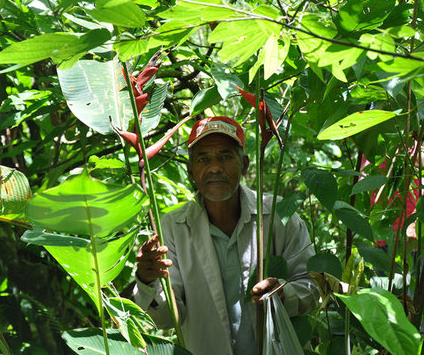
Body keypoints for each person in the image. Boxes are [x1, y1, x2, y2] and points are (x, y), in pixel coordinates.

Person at [134, 116, 319, 355]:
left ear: (244, 165)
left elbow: (312, 286)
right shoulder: (172, 228)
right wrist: (147, 281)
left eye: (225, 156)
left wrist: (283, 293)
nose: (215, 167)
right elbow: (166, 319)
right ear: (191, 171)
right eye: (203, 159)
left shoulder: (278, 216)